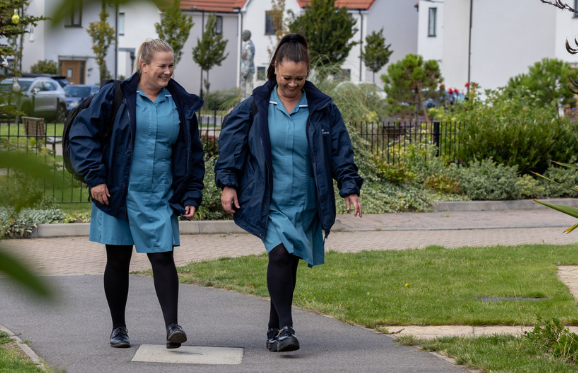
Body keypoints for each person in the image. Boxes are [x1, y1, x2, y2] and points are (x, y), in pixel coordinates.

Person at [215, 33, 363, 353]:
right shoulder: (257, 104)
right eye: (286, 78)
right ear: (274, 69)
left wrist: (349, 187)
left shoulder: (322, 107)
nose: (292, 84)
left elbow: (340, 150)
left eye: (299, 78)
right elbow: (231, 142)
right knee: (280, 254)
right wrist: (228, 183)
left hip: (307, 199)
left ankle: (273, 329)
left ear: (307, 73)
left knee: (288, 263)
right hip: (270, 198)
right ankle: (286, 327)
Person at [69, 38, 205, 349]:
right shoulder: (116, 96)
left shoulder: (180, 104)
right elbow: (82, 135)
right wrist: (95, 178)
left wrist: (191, 194)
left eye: (171, 65)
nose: (168, 71)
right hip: (116, 192)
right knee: (118, 259)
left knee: (163, 256)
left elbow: (192, 154)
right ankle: (119, 328)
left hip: (159, 194)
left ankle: (173, 326)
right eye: (162, 65)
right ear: (143, 65)